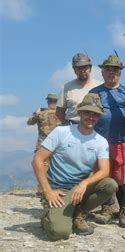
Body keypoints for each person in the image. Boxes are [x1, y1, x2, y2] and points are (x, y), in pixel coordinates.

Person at [32, 94, 118, 241]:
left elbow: (105, 171)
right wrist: (48, 191)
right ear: (79, 112)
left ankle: (79, 213)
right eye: (87, 112)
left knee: (110, 185)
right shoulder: (61, 132)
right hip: (59, 190)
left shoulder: (100, 141)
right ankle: (48, 216)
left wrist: (84, 183)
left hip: (79, 189)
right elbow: (38, 160)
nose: (91, 117)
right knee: (59, 233)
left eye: (95, 114)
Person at [90, 55, 125, 228]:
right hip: (100, 143)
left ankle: (123, 211)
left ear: (120, 73)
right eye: (108, 69)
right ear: (102, 72)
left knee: (121, 179)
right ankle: (106, 209)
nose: (111, 73)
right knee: (103, 177)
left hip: (122, 141)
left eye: (115, 70)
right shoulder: (95, 93)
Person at [56, 53, 101, 124]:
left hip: (94, 127)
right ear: (74, 70)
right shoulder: (66, 87)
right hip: (73, 126)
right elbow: (59, 112)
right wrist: (66, 123)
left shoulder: (100, 86)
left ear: (90, 68)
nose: (82, 70)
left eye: (85, 67)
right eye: (79, 68)